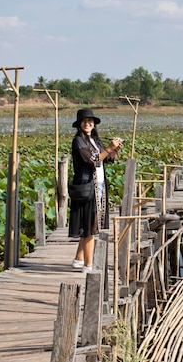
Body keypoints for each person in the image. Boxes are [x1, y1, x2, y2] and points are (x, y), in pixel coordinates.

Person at [69, 108, 123, 273]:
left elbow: (106, 160)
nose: (88, 123)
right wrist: (108, 148)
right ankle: (88, 266)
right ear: (79, 124)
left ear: (94, 124)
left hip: (98, 187)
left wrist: (114, 150)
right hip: (86, 188)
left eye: (90, 121)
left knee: (89, 224)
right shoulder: (78, 141)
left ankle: (78, 260)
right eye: (84, 121)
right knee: (90, 228)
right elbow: (93, 160)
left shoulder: (95, 140)